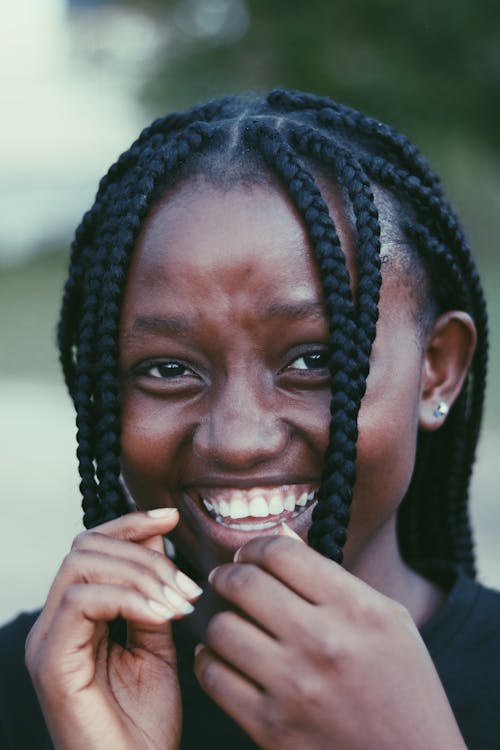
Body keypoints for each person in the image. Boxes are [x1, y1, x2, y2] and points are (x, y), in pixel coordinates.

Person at [0, 89, 499, 749]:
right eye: (168, 370)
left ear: (437, 367)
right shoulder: (38, 686)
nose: (238, 441)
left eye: (316, 360)